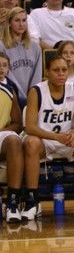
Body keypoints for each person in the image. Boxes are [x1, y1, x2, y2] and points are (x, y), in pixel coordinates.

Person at [22, 51, 74, 221]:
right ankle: (32, 201)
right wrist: (56, 137)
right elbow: (30, 127)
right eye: (56, 70)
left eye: (64, 70)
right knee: (31, 143)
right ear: (47, 72)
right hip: (44, 141)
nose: (61, 74)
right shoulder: (36, 91)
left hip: (67, 141)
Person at [0, 7, 42, 108]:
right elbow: (6, 73)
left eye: (24, 20)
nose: (21, 24)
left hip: (31, 97)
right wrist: (21, 96)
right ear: (9, 23)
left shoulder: (35, 47)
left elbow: (37, 74)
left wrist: (33, 95)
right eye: (17, 20)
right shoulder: (2, 45)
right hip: (9, 95)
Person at [0, 53, 24, 223]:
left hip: (1, 134)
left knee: (15, 140)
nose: (0, 69)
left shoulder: (10, 89)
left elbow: (17, 123)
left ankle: (12, 202)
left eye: (4, 65)